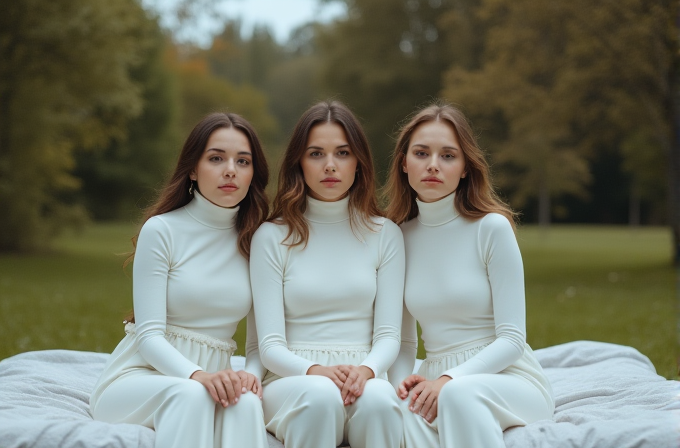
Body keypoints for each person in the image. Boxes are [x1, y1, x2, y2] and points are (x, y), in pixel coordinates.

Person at [89, 112, 270, 448]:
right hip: (141, 377)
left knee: (245, 403)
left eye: (243, 161)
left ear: (252, 174)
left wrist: (251, 375)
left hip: (213, 379)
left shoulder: (258, 240)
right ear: (192, 169)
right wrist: (197, 376)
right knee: (192, 395)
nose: (230, 169)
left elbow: (259, 343)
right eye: (216, 158)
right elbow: (149, 335)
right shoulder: (162, 230)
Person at [385, 102, 555, 448]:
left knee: (459, 396)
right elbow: (404, 342)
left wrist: (450, 379)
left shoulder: (491, 228)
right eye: (421, 153)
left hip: (506, 377)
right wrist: (402, 389)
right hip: (436, 379)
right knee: (392, 412)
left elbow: (511, 338)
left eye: (448, 155)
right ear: (404, 163)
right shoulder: (395, 237)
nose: (433, 164)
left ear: (465, 168)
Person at [249, 101, 405, 448]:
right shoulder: (272, 237)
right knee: (320, 397)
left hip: (364, 374)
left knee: (380, 402)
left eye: (343, 153)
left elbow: (389, 336)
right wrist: (317, 372)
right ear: (299, 164)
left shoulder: (385, 234)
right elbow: (270, 345)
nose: (330, 165)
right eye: (316, 154)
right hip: (294, 378)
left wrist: (365, 372)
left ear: (359, 163)